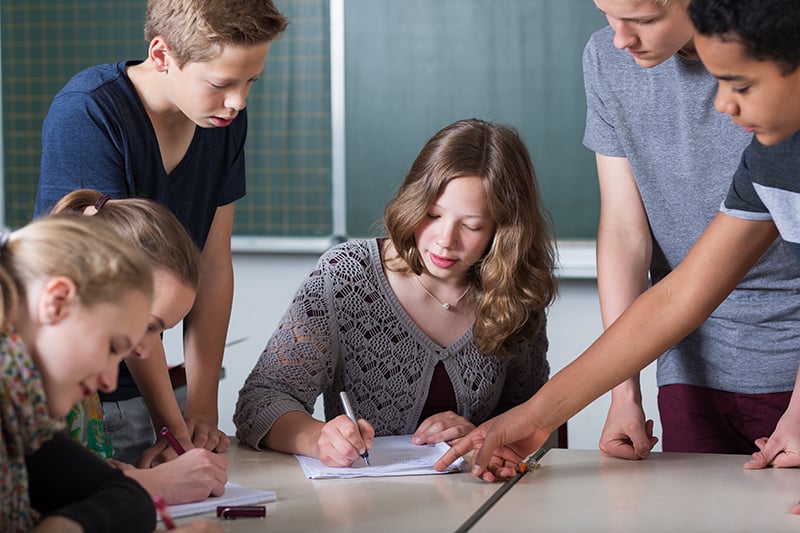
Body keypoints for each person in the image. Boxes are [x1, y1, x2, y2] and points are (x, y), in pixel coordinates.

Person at [435, 0, 800, 486]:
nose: (722, 104)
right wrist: (538, 416)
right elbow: (679, 295)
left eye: (741, 85)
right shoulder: (771, 159)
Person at [33, 0, 289, 463]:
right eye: (221, 83)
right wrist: (174, 427)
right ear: (161, 55)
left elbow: (212, 263)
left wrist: (202, 411)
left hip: (155, 390)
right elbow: (120, 287)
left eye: (252, 80)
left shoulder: (223, 121)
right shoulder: (90, 112)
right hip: (88, 392)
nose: (239, 101)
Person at [233, 118, 557, 467]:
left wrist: (480, 434)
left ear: (503, 230)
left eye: (472, 225)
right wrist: (318, 439)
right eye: (433, 215)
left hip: (474, 503)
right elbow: (260, 401)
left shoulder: (514, 293)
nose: (445, 241)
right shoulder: (348, 277)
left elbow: (536, 419)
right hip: (366, 507)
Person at [585, 0, 800, 460]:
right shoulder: (606, 58)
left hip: (788, 356)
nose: (621, 38)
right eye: (605, 11)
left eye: (644, 20)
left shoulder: (778, 67)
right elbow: (626, 233)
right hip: (684, 355)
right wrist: (623, 392)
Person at [53, 189, 228, 505]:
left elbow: (76, 471)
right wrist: (151, 485)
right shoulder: (25, 372)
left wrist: (129, 477)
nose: (146, 351)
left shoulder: (82, 377)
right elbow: (39, 491)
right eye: (148, 326)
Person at [0, 214, 155, 532]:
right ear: (56, 303)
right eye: (112, 346)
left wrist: (64, 527)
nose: (109, 381)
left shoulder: (21, 409)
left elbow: (127, 495)